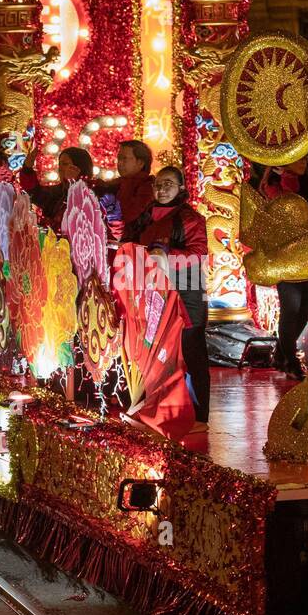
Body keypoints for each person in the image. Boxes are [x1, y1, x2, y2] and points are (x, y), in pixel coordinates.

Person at [125, 165, 210, 430]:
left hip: (186, 294)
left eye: (168, 184)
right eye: (158, 185)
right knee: (156, 352)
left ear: (181, 188)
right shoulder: (147, 215)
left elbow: (198, 252)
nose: (161, 190)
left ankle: (199, 416)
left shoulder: (189, 218)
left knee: (191, 353)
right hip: (154, 294)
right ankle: (157, 408)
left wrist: (165, 254)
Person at [261, 157, 308, 379]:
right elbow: (287, 206)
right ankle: (290, 361)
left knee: (307, 309)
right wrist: (287, 176)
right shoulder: (273, 184)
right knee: (291, 309)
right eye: (299, 158)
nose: (304, 161)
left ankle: (281, 353)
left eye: (305, 157)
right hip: (286, 256)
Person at [114, 140, 156, 228]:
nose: (119, 163)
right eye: (119, 159)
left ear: (140, 163)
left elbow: (126, 216)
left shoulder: (148, 187)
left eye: (124, 158)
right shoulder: (119, 183)